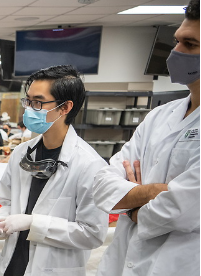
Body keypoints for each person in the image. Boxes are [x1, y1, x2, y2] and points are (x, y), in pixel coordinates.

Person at [92, 2, 200, 275]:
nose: (176, 51)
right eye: (177, 41)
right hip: (121, 262)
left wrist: (130, 206)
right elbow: (103, 186)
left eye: (190, 44)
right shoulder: (159, 117)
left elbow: (182, 209)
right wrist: (153, 191)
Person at [0, 65, 108, 276]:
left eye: (38, 102)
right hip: (12, 266)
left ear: (65, 107)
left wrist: (33, 223)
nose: (29, 109)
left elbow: (92, 233)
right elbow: (7, 202)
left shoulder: (90, 165)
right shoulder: (22, 152)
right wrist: (0, 223)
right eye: (28, 101)